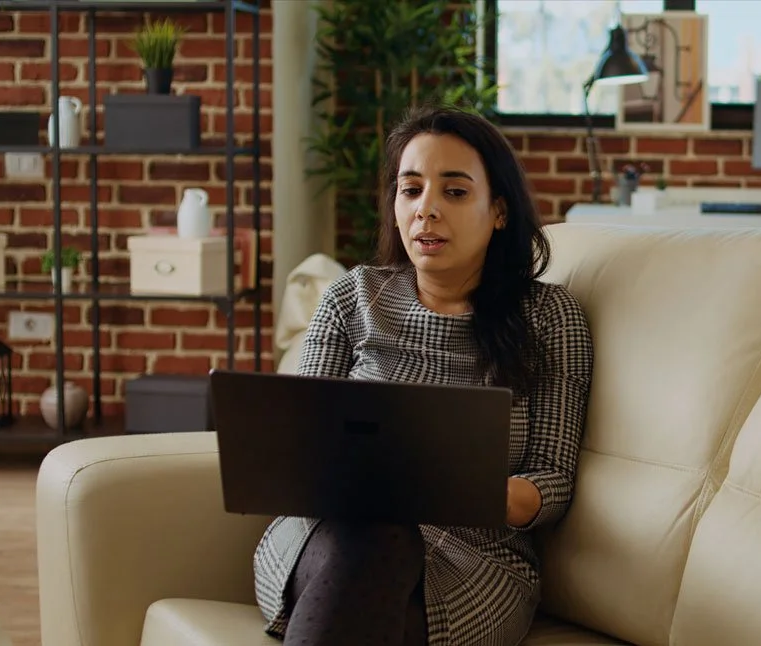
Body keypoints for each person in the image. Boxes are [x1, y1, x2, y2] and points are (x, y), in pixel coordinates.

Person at [253, 105, 594, 646]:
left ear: (499, 211)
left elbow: (552, 480)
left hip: (474, 560)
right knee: (373, 532)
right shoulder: (351, 298)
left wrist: (474, 490)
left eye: (454, 193)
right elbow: (302, 450)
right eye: (410, 190)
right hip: (327, 536)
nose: (426, 210)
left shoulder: (551, 319)